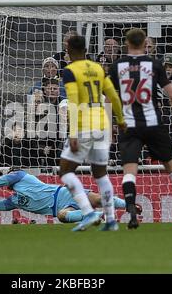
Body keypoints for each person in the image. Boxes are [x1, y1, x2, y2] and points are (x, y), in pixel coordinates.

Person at [107, 28, 172, 229]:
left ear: (127, 44)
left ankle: (132, 214)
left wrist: (110, 129)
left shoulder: (117, 66)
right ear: (145, 44)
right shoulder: (154, 64)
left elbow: (108, 99)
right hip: (153, 124)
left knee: (129, 172)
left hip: (129, 125)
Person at [58, 35, 126, 232]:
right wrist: (120, 120)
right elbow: (112, 95)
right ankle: (111, 219)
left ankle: (88, 213)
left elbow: (72, 99)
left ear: (70, 50)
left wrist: (72, 133)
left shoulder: (70, 70)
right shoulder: (97, 68)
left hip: (83, 126)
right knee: (100, 173)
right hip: (102, 125)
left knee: (65, 171)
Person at [0, 169, 141, 224]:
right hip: (59, 209)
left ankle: (128, 205)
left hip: (65, 192)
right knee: (61, 216)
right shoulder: (14, 201)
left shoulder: (21, 176)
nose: (5, 179)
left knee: (98, 199)